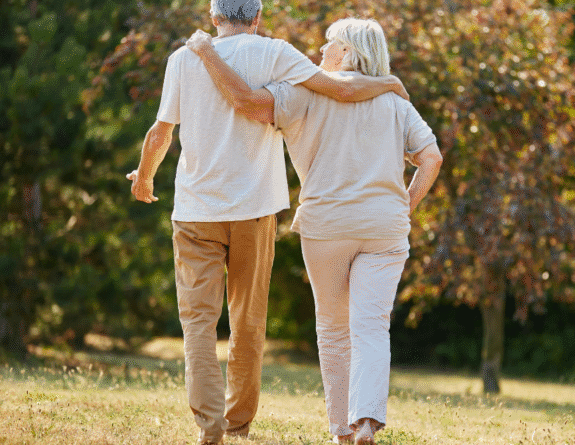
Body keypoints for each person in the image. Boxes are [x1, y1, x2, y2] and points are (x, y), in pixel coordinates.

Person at [126, 1, 409, 444]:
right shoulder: (275, 52)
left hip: (195, 212)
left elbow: (161, 131)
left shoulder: (182, 58)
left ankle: (209, 426)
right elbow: (341, 90)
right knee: (248, 322)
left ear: (214, 16)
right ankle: (237, 424)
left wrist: (144, 176)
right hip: (254, 210)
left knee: (198, 324)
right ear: (256, 17)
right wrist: (388, 82)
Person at [185, 18, 442, 444]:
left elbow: (249, 105)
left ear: (345, 51)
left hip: (326, 227)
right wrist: (405, 204)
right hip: (384, 227)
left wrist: (208, 56)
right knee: (373, 325)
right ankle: (366, 422)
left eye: (328, 44)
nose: (320, 51)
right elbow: (430, 158)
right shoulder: (396, 100)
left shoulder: (301, 93)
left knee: (335, 330)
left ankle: (341, 430)